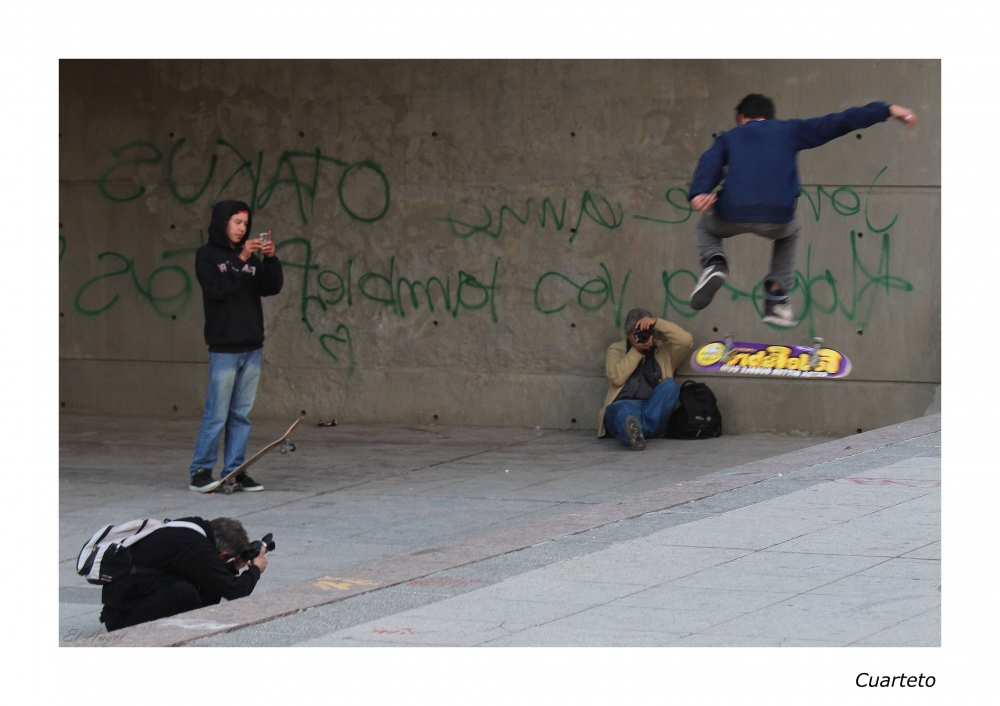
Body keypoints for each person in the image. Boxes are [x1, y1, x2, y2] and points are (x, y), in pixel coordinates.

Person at [686, 94, 918, 327]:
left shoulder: (729, 137)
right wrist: (887, 110)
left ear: (741, 117)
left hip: (731, 212)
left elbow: (709, 162)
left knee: (706, 228)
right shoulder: (789, 130)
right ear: (768, 116)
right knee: (790, 232)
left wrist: (699, 192)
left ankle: (715, 264)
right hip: (778, 216)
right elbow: (838, 122)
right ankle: (776, 297)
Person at [188, 200, 283, 492]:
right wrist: (241, 257)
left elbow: (270, 287)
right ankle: (201, 471)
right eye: (237, 223)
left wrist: (270, 259)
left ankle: (235, 470)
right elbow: (218, 289)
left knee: (240, 414)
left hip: (251, 345)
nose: (242, 229)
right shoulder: (206, 256)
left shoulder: (251, 258)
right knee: (217, 412)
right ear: (222, 222)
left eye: (245, 224)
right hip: (224, 347)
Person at [99, 516, 268, 631]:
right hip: (122, 619)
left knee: (202, 585)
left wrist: (236, 566)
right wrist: (255, 569)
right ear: (223, 555)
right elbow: (237, 591)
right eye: (225, 560)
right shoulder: (196, 550)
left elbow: (210, 575)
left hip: (130, 600)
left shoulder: (193, 528)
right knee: (186, 593)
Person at [598, 308, 694, 450]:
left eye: (647, 332)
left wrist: (657, 322)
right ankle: (635, 428)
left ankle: (637, 430)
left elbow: (686, 341)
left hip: (654, 408)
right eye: (637, 333)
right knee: (625, 410)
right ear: (629, 335)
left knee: (670, 385)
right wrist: (636, 351)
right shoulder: (617, 350)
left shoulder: (663, 351)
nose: (642, 336)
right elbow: (616, 378)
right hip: (624, 407)